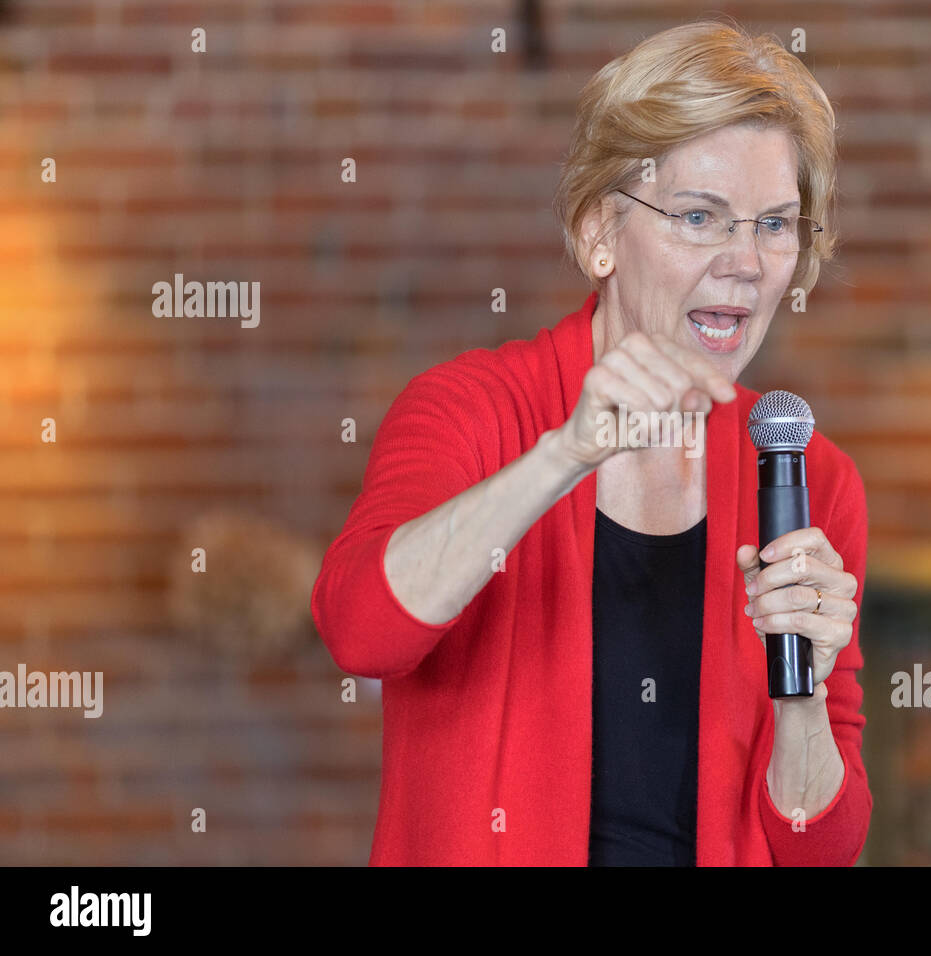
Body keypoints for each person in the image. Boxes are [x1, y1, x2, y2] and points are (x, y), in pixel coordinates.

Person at [311, 17, 872, 866]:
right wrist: (563, 456)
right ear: (598, 234)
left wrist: (805, 693)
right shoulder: (470, 411)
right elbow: (361, 632)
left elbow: (817, 847)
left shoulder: (806, 474)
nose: (746, 263)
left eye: (774, 225)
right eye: (699, 216)